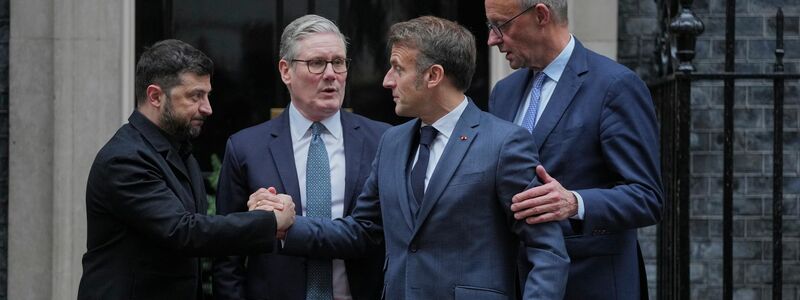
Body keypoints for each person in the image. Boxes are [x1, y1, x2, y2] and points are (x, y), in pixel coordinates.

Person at [261, 16, 569, 299]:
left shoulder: (504, 143)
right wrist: (287, 226)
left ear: (433, 75)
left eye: (397, 68)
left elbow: (546, 250)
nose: (387, 81)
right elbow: (363, 230)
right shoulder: (391, 142)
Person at [77, 39, 296, 300]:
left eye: (207, 95)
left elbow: (194, 231)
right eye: (195, 96)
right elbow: (184, 232)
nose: (208, 108)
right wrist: (268, 221)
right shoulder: (124, 159)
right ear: (155, 96)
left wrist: (255, 211)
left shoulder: (180, 150)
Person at [484, 0, 664, 298]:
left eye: (500, 25)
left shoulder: (615, 86)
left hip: (590, 284)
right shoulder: (503, 93)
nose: (492, 39)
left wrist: (574, 202)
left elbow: (647, 198)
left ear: (541, 15)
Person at [212, 15, 390, 300]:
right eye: (317, 63)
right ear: (286, 71)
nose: (331, 74)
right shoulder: (246, 147)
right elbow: (227, 257)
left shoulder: (384, 141)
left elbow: (385, 234)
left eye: (339, 62)